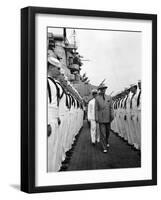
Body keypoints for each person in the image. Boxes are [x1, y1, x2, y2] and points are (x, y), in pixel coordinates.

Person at [95, 84, 114, 153]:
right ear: (100, 90)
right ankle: (104, 147)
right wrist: (96, 117)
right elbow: (96, 109)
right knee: (102, 133)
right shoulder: (97, 98)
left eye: (104, 89)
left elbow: (111, 107)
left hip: (108, 117)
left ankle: (106, 141)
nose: (103, 90)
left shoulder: (109, 97)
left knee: (107, 132)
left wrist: (112, 115)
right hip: (101, 118)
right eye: (102, 89)